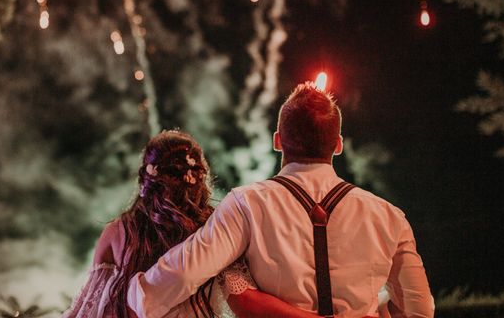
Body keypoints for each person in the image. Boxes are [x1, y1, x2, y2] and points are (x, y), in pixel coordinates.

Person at [127, 82, 435, 318]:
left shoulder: (246, 204)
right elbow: (420, 309)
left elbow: (183, 272)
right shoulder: (389, 216)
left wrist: (139, 295)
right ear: (338, 145)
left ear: (278, 140)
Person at [63, 130, 319, 318]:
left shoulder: (118, 233)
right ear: (199, 178)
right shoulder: (217, 229)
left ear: (146, 179)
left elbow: (90, 309)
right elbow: (245, 299)